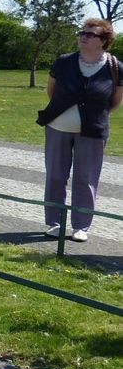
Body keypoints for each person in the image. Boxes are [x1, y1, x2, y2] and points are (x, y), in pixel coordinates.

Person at [37, 19, 123, 242]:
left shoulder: (115, 67)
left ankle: (81, 226)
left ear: (103, 41)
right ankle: (54, 222)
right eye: (82, 33)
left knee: (86, 179)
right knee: (55, 175)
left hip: (93, 132)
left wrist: (92, 117)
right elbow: (52, 92)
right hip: (58, 127)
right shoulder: (63, 62)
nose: (83, 36)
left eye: (90, 34)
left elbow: (114, 102)